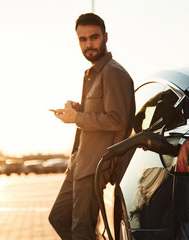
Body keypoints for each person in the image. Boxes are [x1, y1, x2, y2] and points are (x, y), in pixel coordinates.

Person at [48, 13, 135, 240]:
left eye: (94, 37)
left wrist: (76, 117)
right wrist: (77, 109)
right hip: (78, 163)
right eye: (82, 39)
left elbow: (117, 119)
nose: (88, 44)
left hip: (94, 166)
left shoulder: (113, 72)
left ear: (105, 37)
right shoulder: (92, 74)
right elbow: (99, 113)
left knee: (81, 232)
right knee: (58, 217)